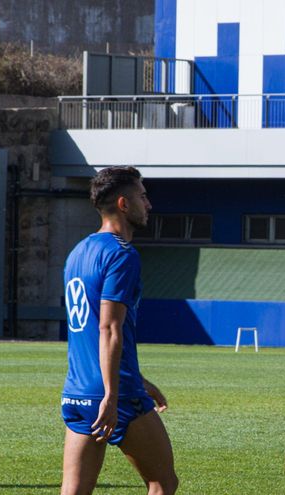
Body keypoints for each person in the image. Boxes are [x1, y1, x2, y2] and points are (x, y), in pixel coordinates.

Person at [60, 166, 178, 495]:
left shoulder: (77, 253)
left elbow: (86, 332)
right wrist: (113, 396)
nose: (148, 204)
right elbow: (109, 327)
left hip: (77, 392)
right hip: (116, 394)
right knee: (162, 483)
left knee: (73, 491)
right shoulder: (121, 255)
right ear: (124, 204)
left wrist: (140, 380)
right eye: (142, 196)